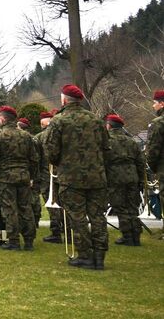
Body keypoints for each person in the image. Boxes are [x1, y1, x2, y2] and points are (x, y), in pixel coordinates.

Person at [44, 84, 111, 270]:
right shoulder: (96, 120)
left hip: (71, 178)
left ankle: (85, 255)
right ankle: (99, 255)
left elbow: (51, 152)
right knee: (98, 217)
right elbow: (107, 149)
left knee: (77, 217)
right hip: (97, 177)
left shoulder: (59, 121)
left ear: (64, 100)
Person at [0, 106, 39, 251]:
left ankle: (13, 240)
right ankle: (29, 241)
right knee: (25, 208)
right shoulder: (26, 136)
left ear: (2, 118)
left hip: (5, 178)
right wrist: (32, 176)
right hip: (23, 176)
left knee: (10, 209)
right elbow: (34, 159)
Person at [105, 113, 144, 246]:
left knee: (120, 207)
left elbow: (103, 161)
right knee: (132, 207)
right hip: (132, 176)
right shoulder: (131, 141)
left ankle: (127, 236)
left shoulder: (107, 140)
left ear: (109, 126)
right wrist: (141, 180)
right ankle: (136, 236)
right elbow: (140, 162)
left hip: (115, 176)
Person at [35, 112, 64, 242]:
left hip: (47, 175)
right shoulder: (63, 135)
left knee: (52, 204)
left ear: (42, 124)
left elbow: (35, 158)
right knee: (63, 203)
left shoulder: (39, 138)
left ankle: (56, 232)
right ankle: (66, 229)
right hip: (62, 174)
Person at [146, 90, 164, 239]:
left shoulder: (158, 123)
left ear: (162, 103)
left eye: (155, 102)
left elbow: (153, 149)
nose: (153, 106)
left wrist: (152, 167)